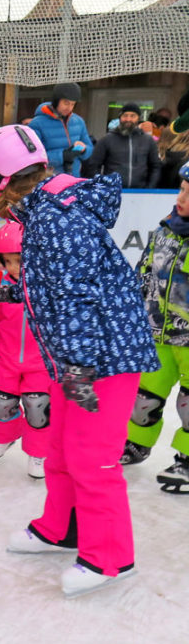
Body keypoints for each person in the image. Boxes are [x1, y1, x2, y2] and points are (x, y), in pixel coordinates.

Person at [0, 124, 158, 598]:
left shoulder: (57, 218)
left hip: (103, 358)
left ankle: (111, 558)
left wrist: (77, 369)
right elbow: (52, 287)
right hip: (75, 356)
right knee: (59, 448)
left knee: (92, 458)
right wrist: (5, 293)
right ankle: (62, 529)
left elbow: (76, 298)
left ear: (2, 184)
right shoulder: (47, 210)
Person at [119, 161, 189, 492]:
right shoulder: (165, 231)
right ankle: (136, 443)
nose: (182, 198)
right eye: (182, 189)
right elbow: (143, 273)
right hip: (157, 333)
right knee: (143, 399)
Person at [0, 221, 50, 479]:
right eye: (9, 261)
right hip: (5, 358)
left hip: (41, 363)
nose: (15, 268)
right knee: (3, 402)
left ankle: (39, 451)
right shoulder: (2, 286)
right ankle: (5, 436)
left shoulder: (47, 287)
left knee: (38, 406)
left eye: (21, 261)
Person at [83, 103, 161, 189]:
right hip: (112, 191)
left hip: (140, 192)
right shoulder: (106, 139)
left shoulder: (148, 140)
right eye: (125, 115)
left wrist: (149, 188)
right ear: (120, 118)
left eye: (132, 116)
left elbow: (155, 166)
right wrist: (102, 187)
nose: (128, 119)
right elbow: (93, 165)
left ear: (138, 118)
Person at [30, 82, 93, 176]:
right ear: (56, 101)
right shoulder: (37, 123)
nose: (69, 108)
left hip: (73, 177)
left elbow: (90, 148)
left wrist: (84, 149)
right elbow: (32, 157)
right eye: (66, 103)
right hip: (49, 178)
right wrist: (62, 156)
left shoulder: (78, 121)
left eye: (72, 104)